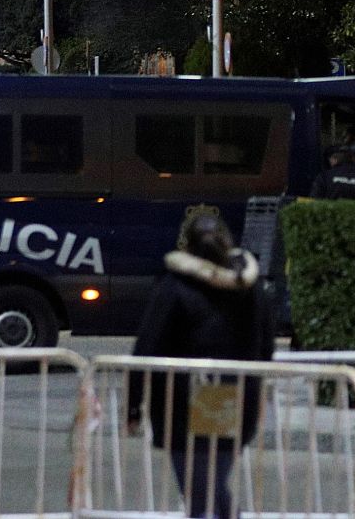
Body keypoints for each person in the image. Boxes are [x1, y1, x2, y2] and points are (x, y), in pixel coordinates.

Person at [127, 213, 275, 519]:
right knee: (211, 487)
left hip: (180, 401)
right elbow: (265, 345)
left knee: (199, 492)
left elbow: (147, 347)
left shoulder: (173, 286)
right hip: (235, 395)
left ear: (186, 245)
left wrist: (134, 406)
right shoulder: (250, 285)